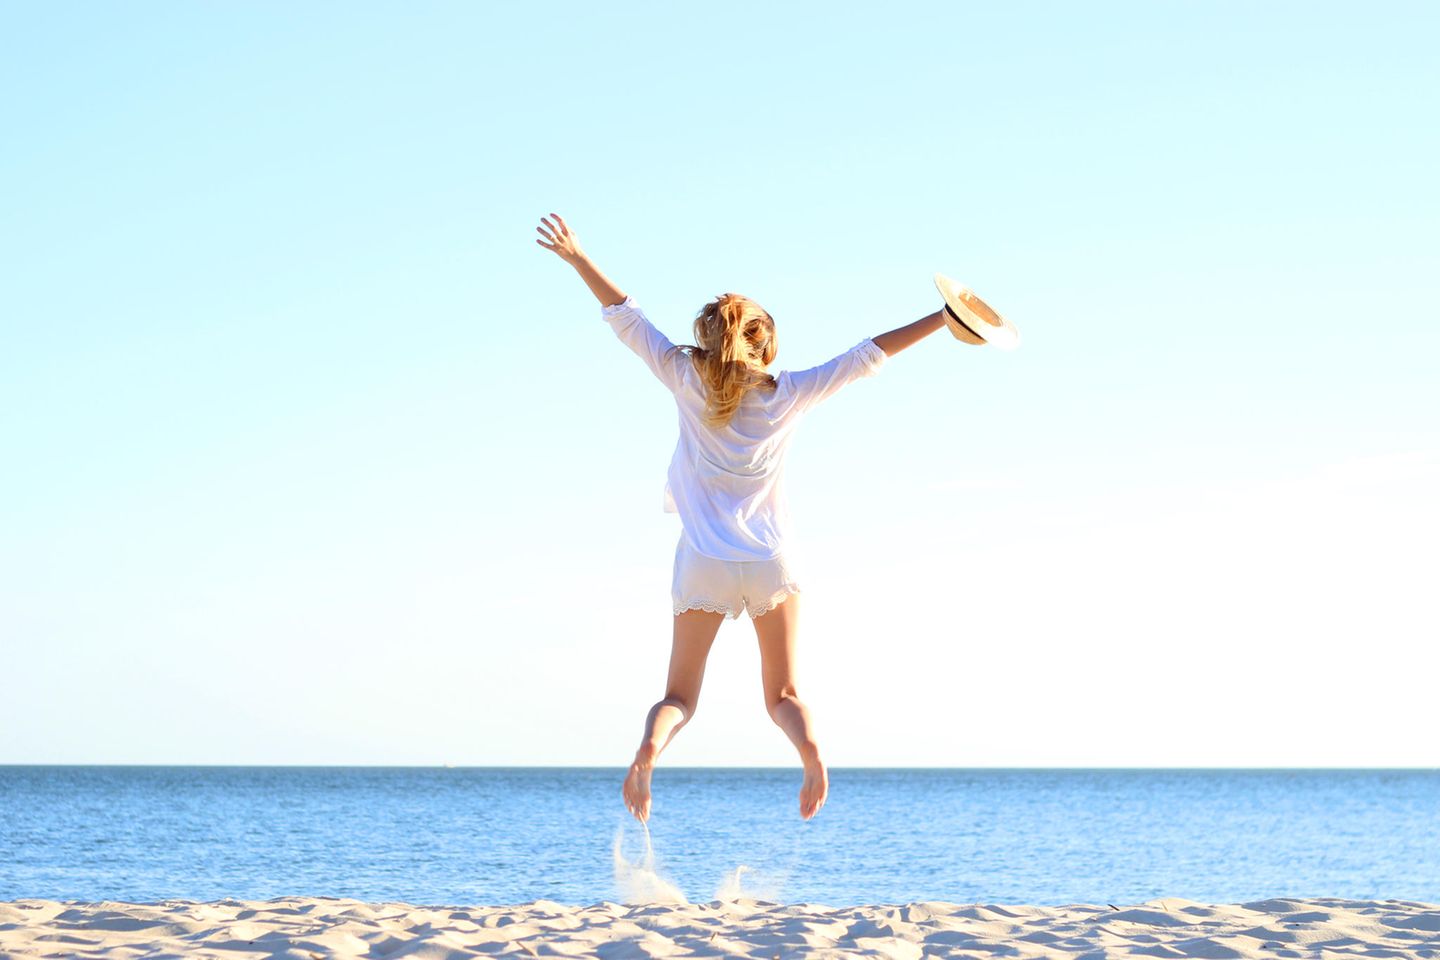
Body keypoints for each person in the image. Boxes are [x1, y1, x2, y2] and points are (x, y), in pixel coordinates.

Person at [534, 213, 949, 822]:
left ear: (707, 340)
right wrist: (943, 318)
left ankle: (650, 749)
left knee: (678, 696)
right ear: (765, 344)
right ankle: (810, 754)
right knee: (783, 695)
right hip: (771, 560)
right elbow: (869, 353)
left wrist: (576, 257)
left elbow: (626, 316)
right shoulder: (792, 392)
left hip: (703, 560)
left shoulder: (682, 375)